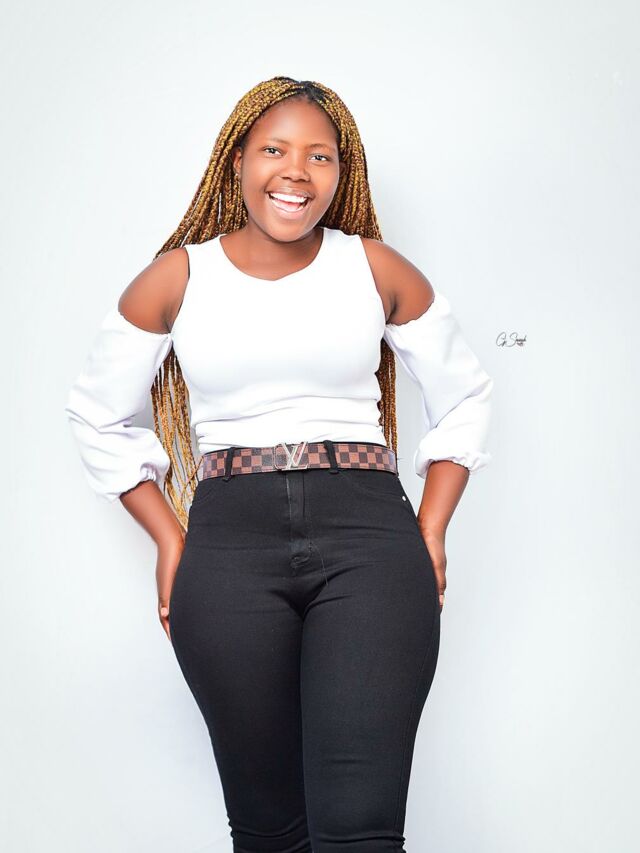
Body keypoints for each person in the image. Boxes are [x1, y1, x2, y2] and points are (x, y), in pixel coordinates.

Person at [65, 76, 493, 852]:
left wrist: (430, 529)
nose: (297, 171)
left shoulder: (375, 268)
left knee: (359, 832)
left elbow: (464, 397)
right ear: (237, 161)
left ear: (341, 172)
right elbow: (97, 411)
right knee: (268, 833)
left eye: (320, 156)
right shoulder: (178, 277)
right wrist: (169, 539)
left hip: (370, 541)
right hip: (229, 549)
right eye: (274, 149)